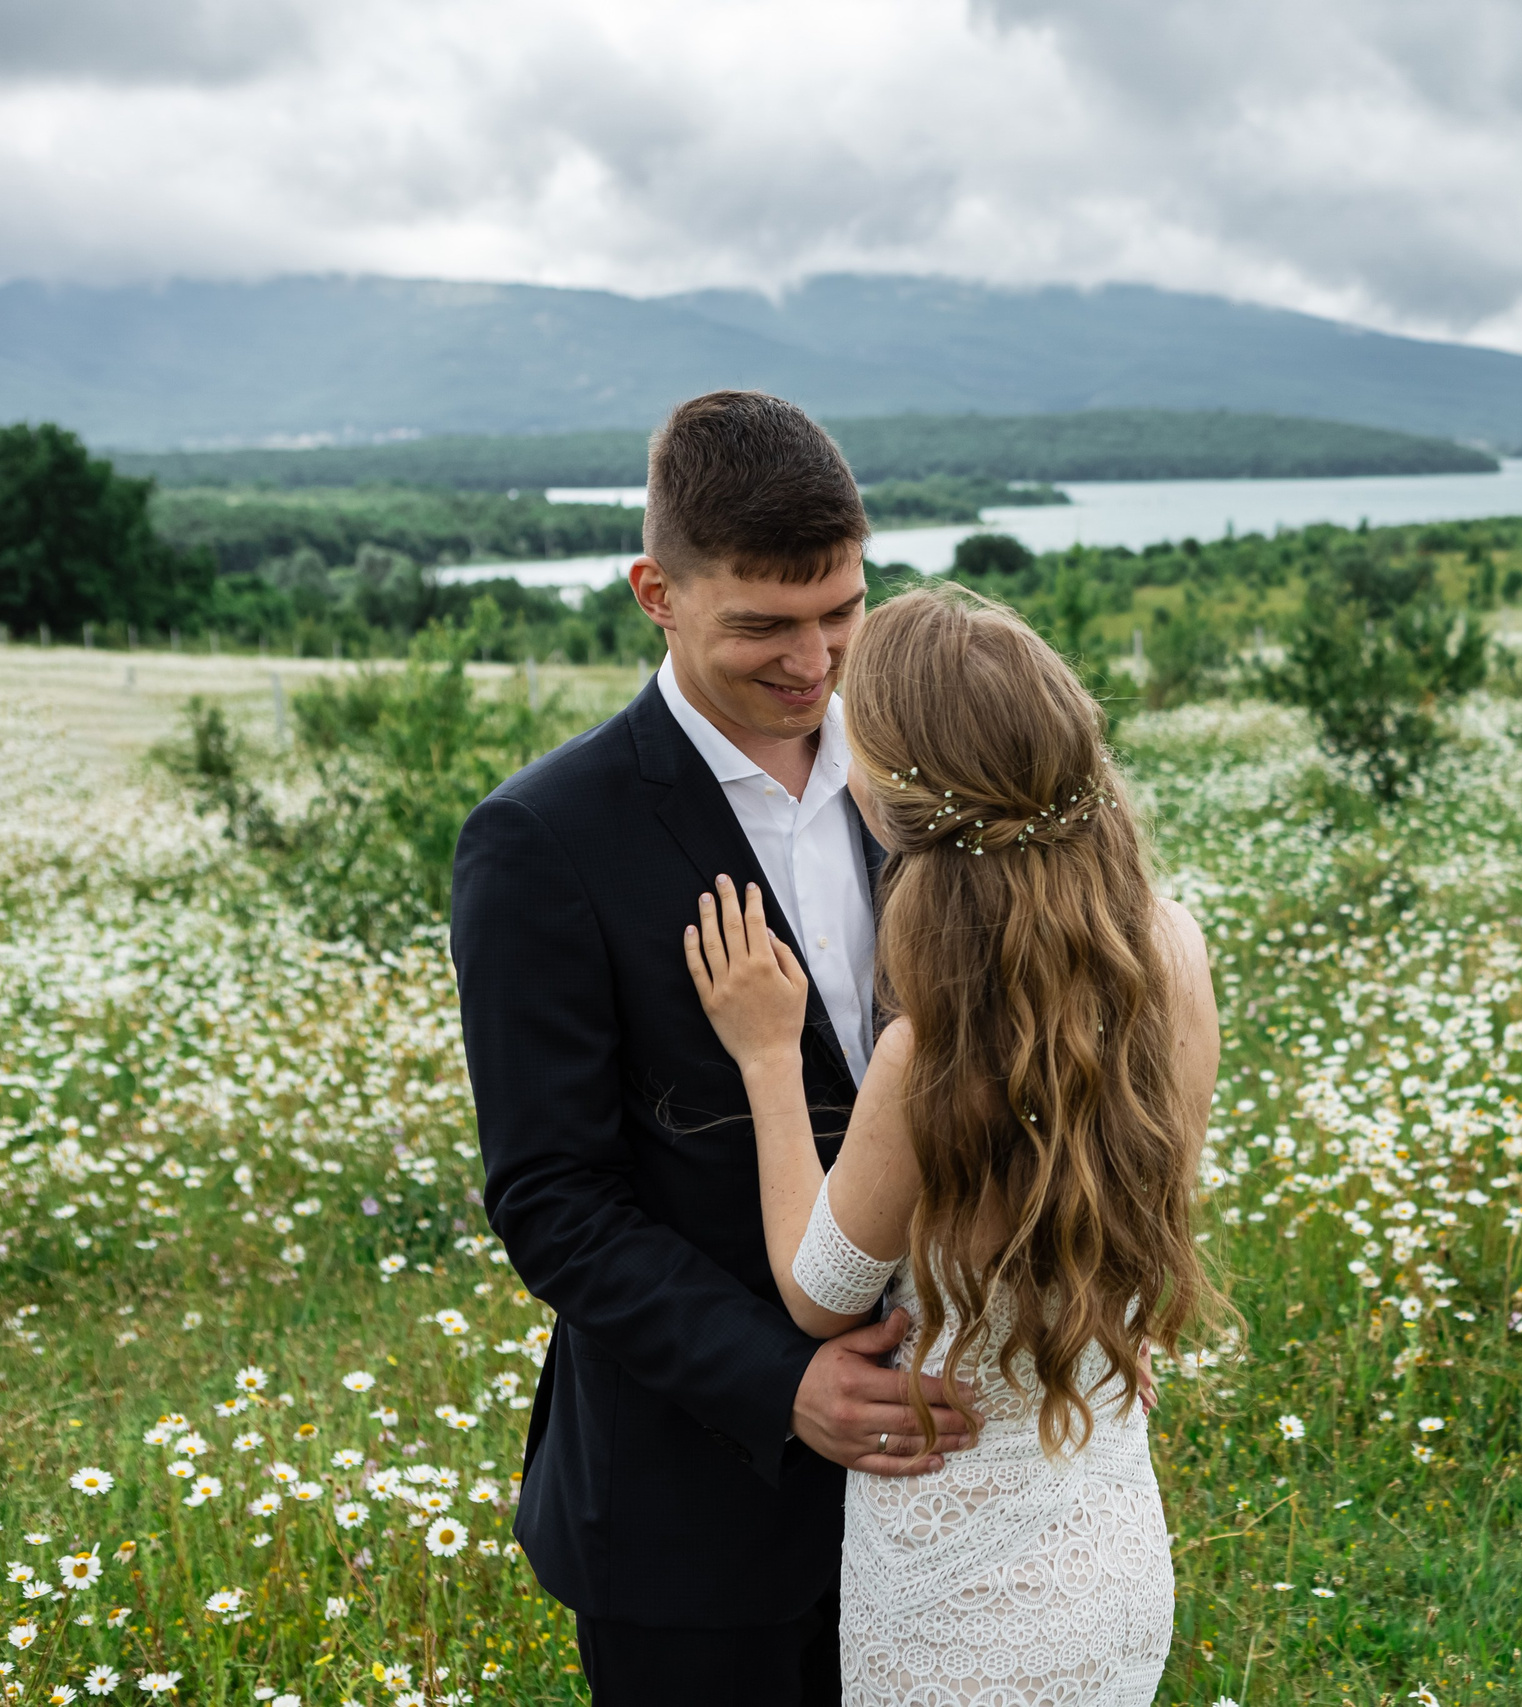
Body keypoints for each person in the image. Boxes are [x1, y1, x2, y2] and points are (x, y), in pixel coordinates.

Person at [451, 392, 979, 1707]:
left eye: (840, 611)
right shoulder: (544, 839)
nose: (813, 661)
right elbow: (553, 1199)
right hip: (693, 1517)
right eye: (762, 625)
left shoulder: (928, 778)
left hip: (953, 1486)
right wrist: (782, 1379)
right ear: (657, 594)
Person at [683, 585, 1219, 1703]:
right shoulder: (1170, 950)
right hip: (1112, 1536)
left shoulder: (933, 1048)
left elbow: (820, 1297)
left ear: (892, 799)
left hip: (955, 1587)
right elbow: (1152, 1196)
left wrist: (767, 1058)